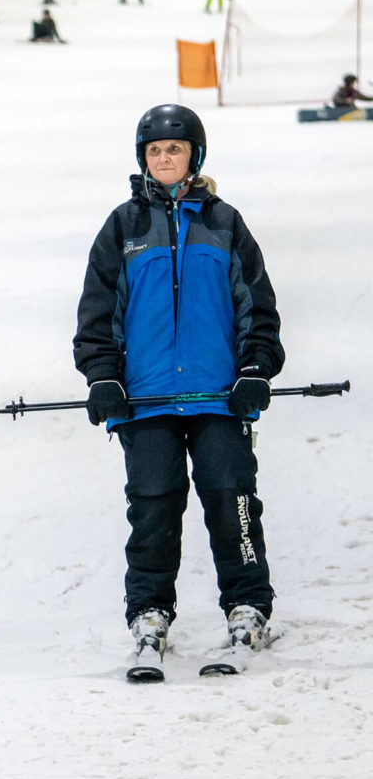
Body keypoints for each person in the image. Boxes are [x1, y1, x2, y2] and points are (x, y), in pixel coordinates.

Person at [73, 104, 284, 666]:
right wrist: (103, 379)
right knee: (153, 505)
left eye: (175, 149)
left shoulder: (224, 223)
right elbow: (97, 316)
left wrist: (255, 369)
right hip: (145, 402)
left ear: (195, 154)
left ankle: (247, 607)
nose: (164, 158)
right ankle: (149, 612)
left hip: (218, 397)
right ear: (143, 158)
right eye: (154, 151)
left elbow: (257, 308)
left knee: (231, 497)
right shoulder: (124, 226)